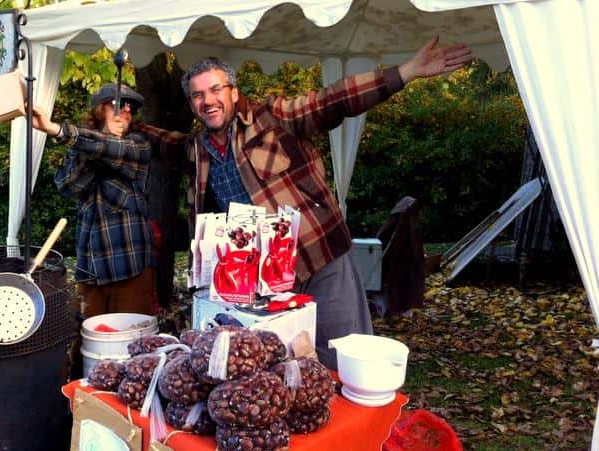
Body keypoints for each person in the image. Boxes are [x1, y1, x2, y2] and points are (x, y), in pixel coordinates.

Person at [143, 36, 472, 368]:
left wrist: (405, 72)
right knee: (281, 362)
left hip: (317, 258)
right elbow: (164, 143)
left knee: (341, 354)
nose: (208, 100)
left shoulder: (273, 117)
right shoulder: (197, 149)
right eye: (198, 95)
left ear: (234, 91)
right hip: (261, 276)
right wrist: (128, 126)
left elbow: (334, 100)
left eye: (216, 90)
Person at [31, 83, 157, 318]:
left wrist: (57, 130)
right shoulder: (82, 148)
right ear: (100, 111)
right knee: (89, 336)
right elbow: (67, 185)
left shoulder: (139, 143)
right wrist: (95, 144)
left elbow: (114, 149)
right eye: (118, 104)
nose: (127, 110)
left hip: (130, 262)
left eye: (131, 106)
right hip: (90, 266)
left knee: (132, 338)